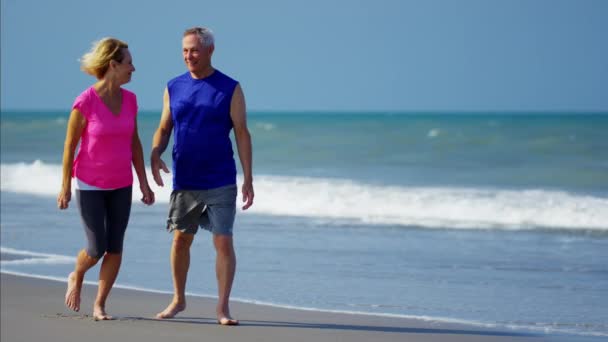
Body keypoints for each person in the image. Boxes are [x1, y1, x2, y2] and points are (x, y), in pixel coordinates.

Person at [151, 27, 253, 326]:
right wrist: (156, 152)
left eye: (194, 50)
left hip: (220, 177)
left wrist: (248, 177)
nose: (188, 56)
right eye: (184, 50)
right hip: (185, 179)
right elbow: (164, 127)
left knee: (223, 241)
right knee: (181, 239)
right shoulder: (173, 86)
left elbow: (242, 134)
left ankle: (222, 308)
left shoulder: (230, 87)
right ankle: (178, 299)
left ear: (210, 50)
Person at [57, 37, 155, 320]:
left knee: (115, 246)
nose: (133, 68)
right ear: (113, 65)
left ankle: (99, 304)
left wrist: (144, 183)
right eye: (128, 63)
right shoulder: (85, 102)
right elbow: (69, 146)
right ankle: (76, 274)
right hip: (89, 183)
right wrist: (64, 186)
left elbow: (134, 143)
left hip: (121, 183)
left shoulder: (131, 100)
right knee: (96, 247)